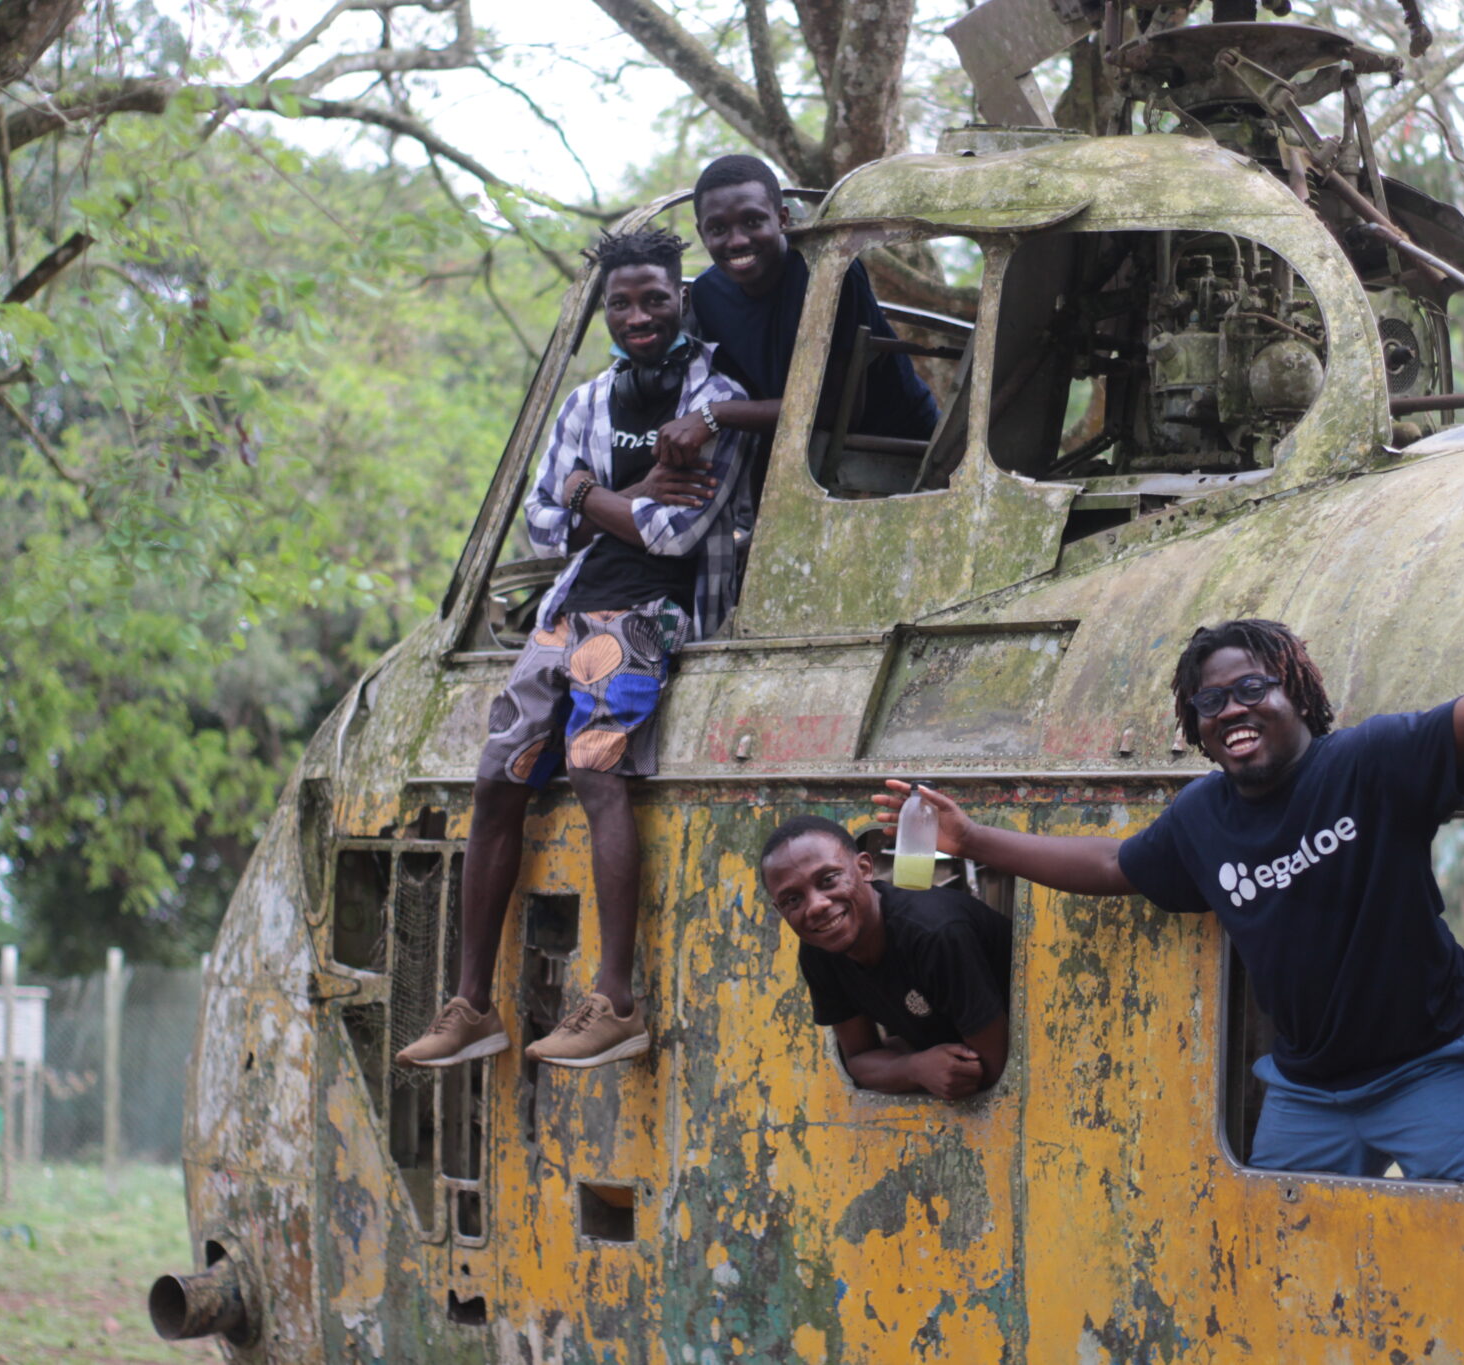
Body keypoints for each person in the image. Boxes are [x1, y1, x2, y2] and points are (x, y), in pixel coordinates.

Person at [875, 518, 1464, 1178]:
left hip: (1429, 1065)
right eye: (1209, 702)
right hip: (1306, 1090)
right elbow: (1113, 865)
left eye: (1251, 687)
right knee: (1277, 1264)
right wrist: (972, 838)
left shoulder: (1367, 762)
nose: (1230, 709)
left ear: (1299, 693)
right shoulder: (1202, 817)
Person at [396, 226, 752, 1070]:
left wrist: (588, 491)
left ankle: (617, 1001)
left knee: (595, 772)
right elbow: (545, 523)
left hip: (646, 611)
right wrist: (614, 492)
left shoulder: (715, 400)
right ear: (604, 309)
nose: (637, 315)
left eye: (654, 299)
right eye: (620, 302)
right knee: (497, 778)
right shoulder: (588, 400)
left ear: (682, 299)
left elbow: (673, 533)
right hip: (567, 614)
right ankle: (470, 1006)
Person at [650, 153, 940, 474]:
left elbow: (835, 409)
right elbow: (741, 396)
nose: (737, 241)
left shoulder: (830, 271)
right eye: (718, 228)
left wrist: (714, 414)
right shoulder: (707, 295)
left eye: (752, 221)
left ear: (782, 218)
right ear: (702, 234)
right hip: (795, 454)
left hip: (900, 445)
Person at [759, 816, 1010, 1099]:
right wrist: (915, 1067)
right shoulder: (820, 951)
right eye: (792, 899)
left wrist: (897, 1061)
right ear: (780, 910)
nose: (816, 906)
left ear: (864, 868)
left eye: (828, 880)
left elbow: (994, 1068)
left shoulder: (935, 933)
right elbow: (859, 1061)